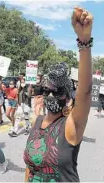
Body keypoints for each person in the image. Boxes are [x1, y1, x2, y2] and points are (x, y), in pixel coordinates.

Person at [24, 7, 93, 182]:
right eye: (48, 90)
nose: (51, 95)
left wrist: (84, 43)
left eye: (58, 91)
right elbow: (30, 168)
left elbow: (84, 93)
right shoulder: (37, 122)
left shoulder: (71, 125)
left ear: (69, 98)